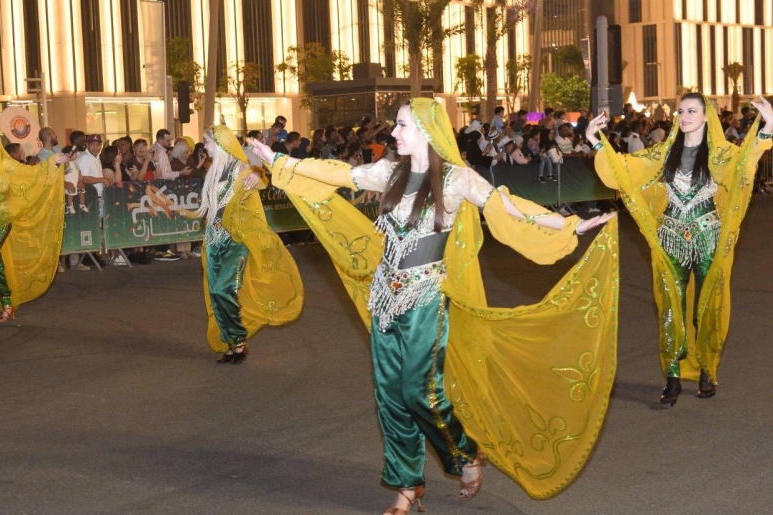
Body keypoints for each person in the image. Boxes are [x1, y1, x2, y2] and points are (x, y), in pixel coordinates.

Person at [251, 98, 619, 513]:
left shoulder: (457, 180)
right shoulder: (389, 171)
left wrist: (569, 223)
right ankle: (407, 489)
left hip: (425, 298)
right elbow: (336, 172)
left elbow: (508, 205)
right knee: (389, 396)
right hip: (384, 298)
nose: (394, 133)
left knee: (418, 392)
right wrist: (280, 161)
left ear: (426, 130)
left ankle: (464, 454)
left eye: (403, 126)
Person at [587, 93, 773, 405]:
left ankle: (706, 371)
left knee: (706, 308)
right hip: (670, 240)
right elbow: (624, 168)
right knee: (669, 309)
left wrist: (768, 125)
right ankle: (672, 376)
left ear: (705, 116)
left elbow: (746, 162)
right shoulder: (663, 153)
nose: (684, 116)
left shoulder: (721, 154)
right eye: (681, 111)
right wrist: (595, 139)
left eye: (691, 111)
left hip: (708, 238)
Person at [189, 125, 304, 363]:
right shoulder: (213, 171)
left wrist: (259, 174)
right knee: (215, 293)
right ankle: (231, 343)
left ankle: (239, 342)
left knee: (224, 289)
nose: (205, 148)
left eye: (208, 143)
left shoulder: (241, 169)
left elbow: (261, 181)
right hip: (213, 240)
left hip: (235, 241)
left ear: (220, 144)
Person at [0, 131, 69, 323]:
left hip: (0, 221)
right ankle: (7, 304)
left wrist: (52, 162)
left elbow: (30, 174)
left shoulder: (5, 164)